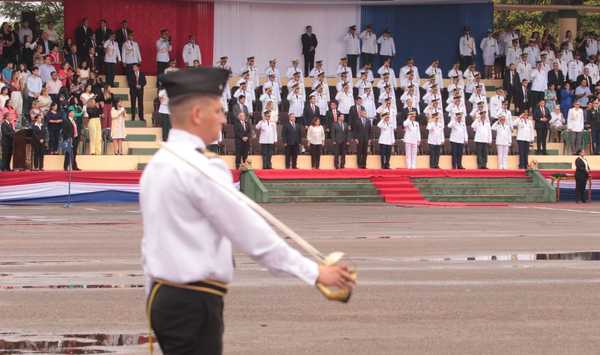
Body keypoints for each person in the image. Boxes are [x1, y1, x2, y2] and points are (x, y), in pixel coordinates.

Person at [141, 67, 353, 355]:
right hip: (194, 300)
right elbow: (253, 236)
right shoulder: (201, 167)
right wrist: (314, 272)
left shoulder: (157, 164)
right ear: (196, 115)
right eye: (217, 111)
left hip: (163, 297)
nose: (223, 118)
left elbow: (149, 247)